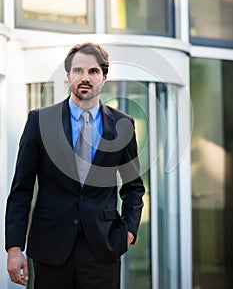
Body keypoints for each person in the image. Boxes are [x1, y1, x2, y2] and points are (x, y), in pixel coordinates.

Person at [5, 42, 145, 289]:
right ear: (68, 75)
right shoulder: (40, 121)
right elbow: (21, 189)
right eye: (79, 71)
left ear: (103, 78)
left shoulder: (123, 125)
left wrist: (128, 233)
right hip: (50, 249)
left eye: (93, 72)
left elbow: (133, 188)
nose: (85, 78)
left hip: (103, 249)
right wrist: (15, 248)